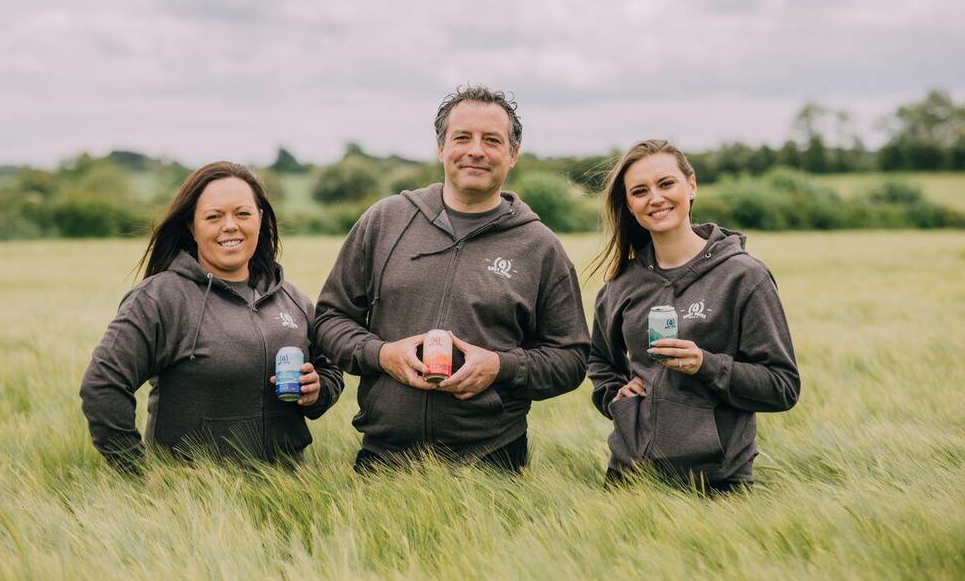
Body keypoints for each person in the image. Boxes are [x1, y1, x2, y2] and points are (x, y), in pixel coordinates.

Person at [315, 86, 590, 472]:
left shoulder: (539, 246)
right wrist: (382, 355)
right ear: (441, 148)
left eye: (491, 140)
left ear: (512, 155)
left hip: (493, 459)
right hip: (384, 454)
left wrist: (500, 366)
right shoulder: (384, 221)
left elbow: (572, 358)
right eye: (462, 137)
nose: (475, 150)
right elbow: (329, 320)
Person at [80, 162, 343, 471]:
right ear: (192, 227)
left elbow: (330, 370)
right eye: (214, 216)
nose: (230, 226)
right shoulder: (160, 298)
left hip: (285, 501)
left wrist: (317, 391)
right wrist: (138, 474)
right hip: (194, 506)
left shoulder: (292, 300)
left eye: (242, 214)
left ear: (260, 219)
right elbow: (102, 384)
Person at [587, 140, 799, 492]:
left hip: (716, 485)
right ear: (629, 205)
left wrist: (704, 364)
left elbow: (782, 386)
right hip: (628, 480)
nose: (655, 198)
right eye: (640, 191)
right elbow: (598, 360)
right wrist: (614, 397)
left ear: (692, 185)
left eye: (666, 183)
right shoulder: (620, 284)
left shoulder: (744, 277)